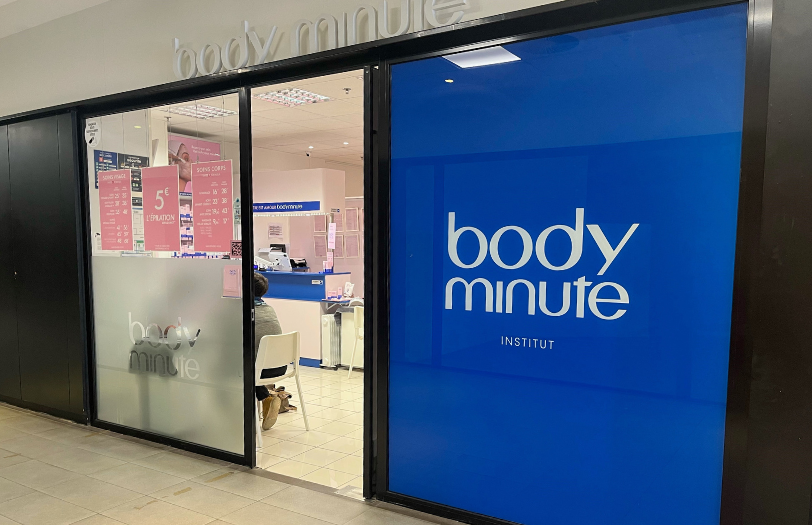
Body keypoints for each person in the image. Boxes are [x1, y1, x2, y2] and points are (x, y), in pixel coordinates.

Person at [254, 272, 285, 430]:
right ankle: (266, 397)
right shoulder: (269, 309)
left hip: (259, 370)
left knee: (227, 367)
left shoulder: (246, 313)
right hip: (280, 367)